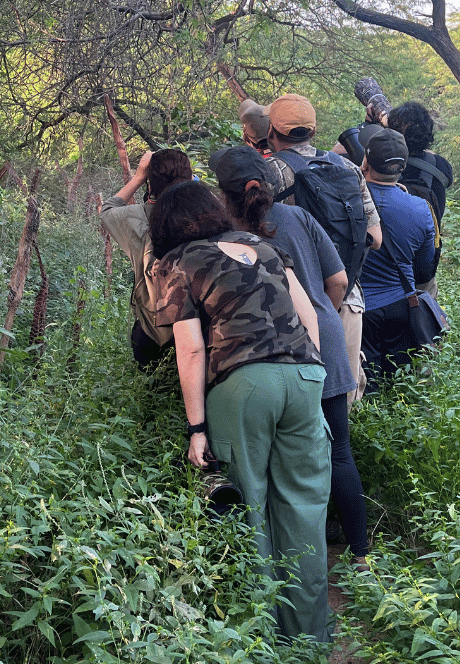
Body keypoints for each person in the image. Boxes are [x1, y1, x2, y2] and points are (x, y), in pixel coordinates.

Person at [148, 180, 332, 642]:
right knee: (304, 507)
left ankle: (260, 639)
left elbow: (189, 350)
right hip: (305, 376)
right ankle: (309, 638)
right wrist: (310, 375)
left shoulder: (179, 262)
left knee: (247, 506)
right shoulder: (262, 246)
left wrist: (196, 427)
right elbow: (308, 314)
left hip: (244, 384)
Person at [211, 145, 371, 564]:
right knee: (338, 452)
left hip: (265, 356)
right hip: (325, 341)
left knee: (274, 462)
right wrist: (322, 313)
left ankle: (282, 560)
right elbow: (337, 279)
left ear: (222, 192)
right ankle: (360, 555)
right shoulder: (298, 217)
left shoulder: (220, 234)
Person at [244, 92, 381, 404]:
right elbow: (375, 236)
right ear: (314, 131)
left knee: (295, 410)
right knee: (339, 407)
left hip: (286, 304)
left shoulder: (267, 173)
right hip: (346, 297)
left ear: (270, 132)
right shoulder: (348, 169)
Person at [97, 148, 193, 369]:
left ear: (151, 186)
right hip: (201, 327)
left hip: (154, 328)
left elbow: (108, 209)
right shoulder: (209, 214)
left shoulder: (136, 217)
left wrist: (139, 176)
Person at [358, 128, 439, 387]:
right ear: (402, 167)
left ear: (366, 161)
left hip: (359, 309)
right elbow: (425, 269)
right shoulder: (421, 208)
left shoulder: (346, 201)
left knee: (365, 386)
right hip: (401, 304)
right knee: (400, 387)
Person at [385, 100, 451, 299]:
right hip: (425, 269)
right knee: (424, 323)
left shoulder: (381, 165)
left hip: (385, 270)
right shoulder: (440, 166)